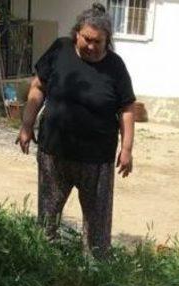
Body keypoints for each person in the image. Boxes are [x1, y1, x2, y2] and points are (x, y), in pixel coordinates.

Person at [16, 3, 135, 256]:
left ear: (107, 41)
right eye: (87, 39)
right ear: (76, 34)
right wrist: (26, 124)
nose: (91, 46)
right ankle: (43, 259)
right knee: (48, 214)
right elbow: (38, 87)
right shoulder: (60, 49)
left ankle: (94, 270)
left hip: (97, 158)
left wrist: (126, 149)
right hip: (54, 152)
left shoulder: (116, 66)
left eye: (98, 42)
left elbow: (126, 108)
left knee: (97, 222)